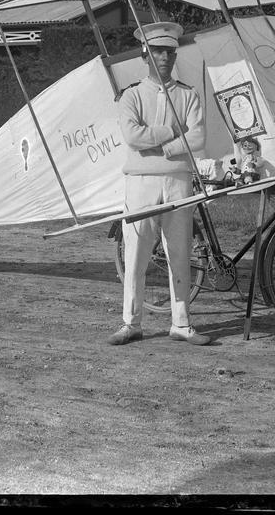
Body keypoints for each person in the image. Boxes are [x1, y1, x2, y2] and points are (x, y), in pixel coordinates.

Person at [110, 21, 211, 347]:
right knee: (137, 254)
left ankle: (181, 323)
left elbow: (198, 137)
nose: (164, 58)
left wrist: (166, 146)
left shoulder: (188, 94)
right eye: (157, 52)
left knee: (179, 253)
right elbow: (133, 136)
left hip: (178, 181)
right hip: (140, 182)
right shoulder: (131, 96)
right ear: (145, 55)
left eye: (169, 51)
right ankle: (130, 322)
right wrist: (174, 130)